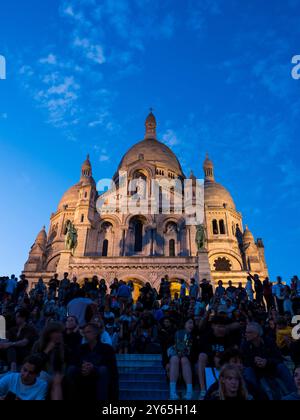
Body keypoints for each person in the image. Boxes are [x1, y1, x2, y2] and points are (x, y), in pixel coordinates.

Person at [65, 323, 119, 401]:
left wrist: (93, 368)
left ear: (96, 334)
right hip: (82, 374)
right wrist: (83, 367)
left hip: (99, 374)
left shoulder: (107, 348)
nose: (85, 334)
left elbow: (111, 368)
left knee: (103, 370)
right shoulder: (81, 348)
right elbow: (74, 362)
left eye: (88, 332)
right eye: (84, 332)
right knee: (71, 369)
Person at [241, 322, 296, 396]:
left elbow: (278, 358)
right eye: (246, 331)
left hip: (270, 368)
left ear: (256, 334)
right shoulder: (245, 345)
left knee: (282, 367)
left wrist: (266, 361)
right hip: (256, 371)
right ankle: (256, 396)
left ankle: (294, 393)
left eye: (249, 332)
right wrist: (255, 362)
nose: (246, 334)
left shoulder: (269, 341)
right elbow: (244, 362)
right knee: (248, 371)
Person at [168, 318, 194, 400]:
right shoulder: (176, 334)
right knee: (174, 359)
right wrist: (166, 363)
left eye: (192, 323)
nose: (192, 325)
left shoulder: (194, 336)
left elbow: (195, 354)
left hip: (188, 361)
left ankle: (189, 392)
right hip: (174, 360)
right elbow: (168, 348)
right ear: (184, 324)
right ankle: (172, 393)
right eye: (189, 323)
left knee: (184, 360)